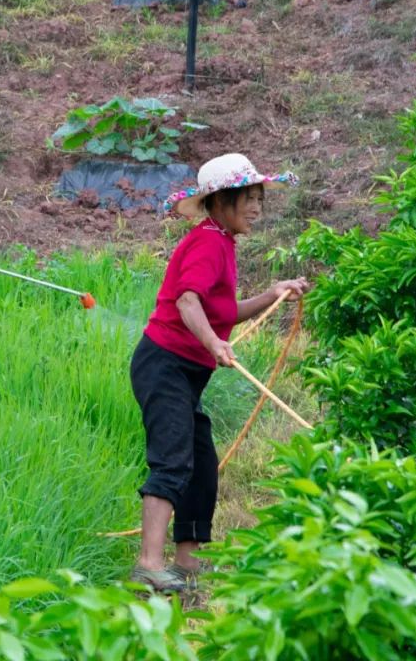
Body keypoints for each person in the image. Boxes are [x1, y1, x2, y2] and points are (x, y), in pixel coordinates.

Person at [129, 153, 310, 593]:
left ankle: (187, 562)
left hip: (186, 371)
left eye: (259, 199)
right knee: (173, 459)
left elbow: (223, 310)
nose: (256, 208)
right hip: (165, 364)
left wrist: (272, 294)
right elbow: (187, 301)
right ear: (221, 201)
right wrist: (214, 343)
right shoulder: (208, 243)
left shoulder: (222, 242)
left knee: (202, 463)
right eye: (248, 199)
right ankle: (149, 564)